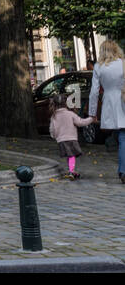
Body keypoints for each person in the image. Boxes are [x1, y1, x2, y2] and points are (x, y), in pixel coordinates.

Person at [88, 39, 125, 183]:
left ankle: (122, 170)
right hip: (123, 100)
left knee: (119, 136)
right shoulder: (123, 63)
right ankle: (122, 170)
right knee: (122, 136)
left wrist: (92, 113)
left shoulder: (99, 67)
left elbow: (94, 92)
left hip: (109, 103)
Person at [48, 92, 95, 180]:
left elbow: (52, 129)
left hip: (61, 140)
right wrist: (91, 119)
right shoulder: (70, 114)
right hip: (71, 138)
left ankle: (71, 171)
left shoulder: (54, 116)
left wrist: (54, 136)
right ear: (66, 103)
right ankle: (71, 171)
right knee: (72, 155)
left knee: (70, 155)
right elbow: (81, 122)